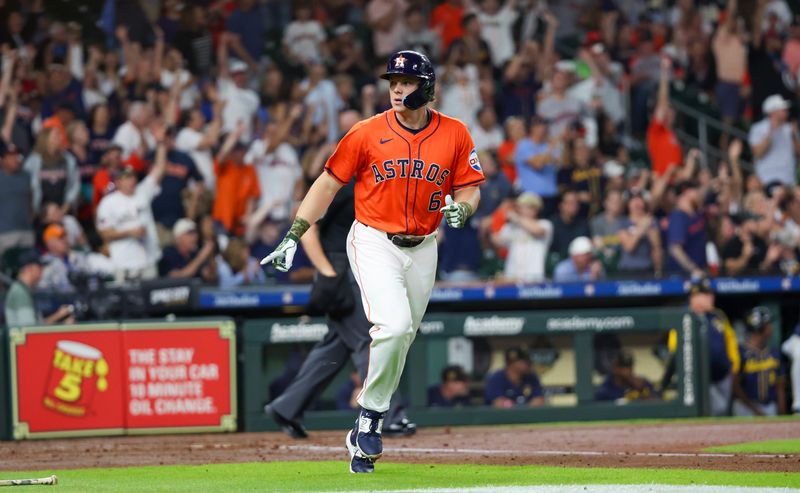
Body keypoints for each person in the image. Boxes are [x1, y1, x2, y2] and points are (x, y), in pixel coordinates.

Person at [261, 50, 483, 474]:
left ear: (428, 87)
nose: (397, 88)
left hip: (424, 246)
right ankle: (370, 418)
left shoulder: (455, 133)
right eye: (393, 81)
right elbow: (327, 183)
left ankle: (369, 420)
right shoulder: (365, 132)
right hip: (373, 239)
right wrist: (294, 232)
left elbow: (471, 188)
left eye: (407, 81)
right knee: (392, 326)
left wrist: (465, 209)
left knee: (403, 337)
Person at [264, 178, 417, 440]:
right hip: (341, 268)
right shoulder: (344, 186)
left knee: (336, 345)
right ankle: (390, 416)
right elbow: (306, 224)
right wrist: (327, 272)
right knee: (369, 340)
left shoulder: (378, 183)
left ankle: (287, 408)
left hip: (361, 265)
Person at [95, 125, 168, 283]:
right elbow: (104, 233)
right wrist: (129, 232)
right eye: (127, 177)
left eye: (133, 176)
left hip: (148, 261)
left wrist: (161, 143)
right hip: (123, 263)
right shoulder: (109, 202)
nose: (132, 180)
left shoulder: (142, 192)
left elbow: (159, 169)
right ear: (118, 181)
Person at [688, 276, 739, 416]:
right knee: (704, 416)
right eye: (706, 295)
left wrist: (734, 366)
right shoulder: (686, 317)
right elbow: (676, 349)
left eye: (710, 294)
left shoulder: (718, 315)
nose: (711, 298)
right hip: (699, 380)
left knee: (722, 414)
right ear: (694, 297)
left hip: (723, 376)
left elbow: (731, 341)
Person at [733, 306, 787, 416]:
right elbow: (735, 385)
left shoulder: (774, 354)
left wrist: (782, 412)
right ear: (760, 326)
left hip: (769, 406)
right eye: (768, 324)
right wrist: (754, 409)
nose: (771, 327)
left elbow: (780, 386)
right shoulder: (740, 352)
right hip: (745, 406)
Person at [3, 249, 74, 327]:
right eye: (40, 267)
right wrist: (58, 316)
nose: (43, 270)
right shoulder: (19, 291)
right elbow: (29, 328)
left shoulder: (24, 289)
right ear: (29, 268)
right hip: (19, 339)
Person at [492, 192, 552, 283]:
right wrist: (497, 216)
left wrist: (516, 218)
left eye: (525, 207)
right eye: (520, 207)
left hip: (534, 280)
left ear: (535, 209)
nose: (521, 209)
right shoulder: (511, 227)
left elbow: (537, 230)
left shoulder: (545, 224)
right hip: (512, 279)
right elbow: (497, 241)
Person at [747, 94, 799, 187]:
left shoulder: (790, 128)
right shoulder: (758, 128)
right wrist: (770, 133)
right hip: (766, 180)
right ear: (773, 112)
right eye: (782, 109)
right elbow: (757, 153)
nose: (786, 111)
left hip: (789, 180)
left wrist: (794, 136)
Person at [0, 141, 34, 257]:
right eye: (11, 156)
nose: (16, 159)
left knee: (28, 266)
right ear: (2, 159)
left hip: (26, 230)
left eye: (17, 155)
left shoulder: (26, 176)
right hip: (3, 233)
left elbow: (31, 200)